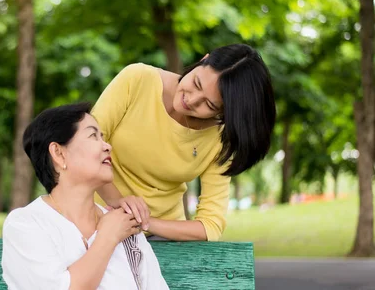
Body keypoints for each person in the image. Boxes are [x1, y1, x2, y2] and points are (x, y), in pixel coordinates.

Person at [93, 44, 276, 242]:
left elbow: (210, 225)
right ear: (203, 59)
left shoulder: (219, 138)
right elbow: (86, 146)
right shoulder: (137, 79)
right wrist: (118, 202)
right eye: (197, 83)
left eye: (209, 104)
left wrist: (143, 222)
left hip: (158, 235)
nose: (192, 100)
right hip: (93, 217)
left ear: (223, 112)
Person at [2, 102, 169, 290]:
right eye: (93, 136)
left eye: (103, 137)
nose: (107, 146)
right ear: (58, 153)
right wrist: (107, 237)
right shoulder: (26, 224)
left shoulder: (125, 225)